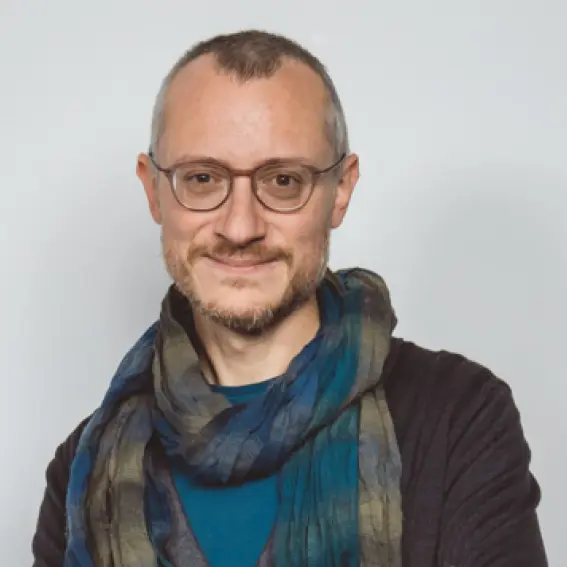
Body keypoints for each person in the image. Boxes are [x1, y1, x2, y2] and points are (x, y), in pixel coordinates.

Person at [32, 30, 548, 567]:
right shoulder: (83, 471)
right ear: (153, 190)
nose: (240, 227)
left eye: (282, 181)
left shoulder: (459, 419)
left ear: (340, 190)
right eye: (202, 178)